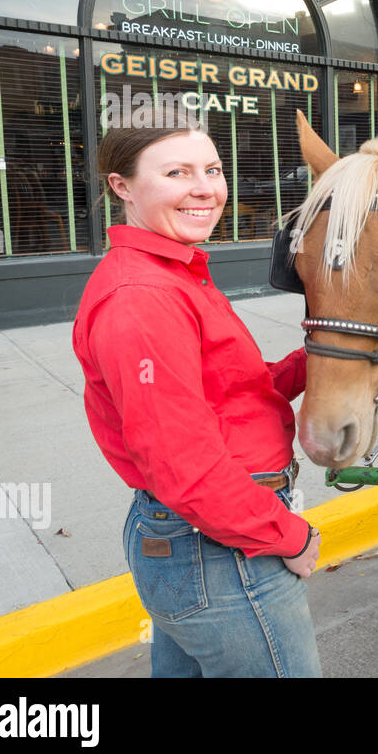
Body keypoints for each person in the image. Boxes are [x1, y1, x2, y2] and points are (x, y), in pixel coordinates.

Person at [72, 105, 322, 677]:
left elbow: (234, 394)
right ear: (122, 186)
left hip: (199, 539)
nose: (204, 189)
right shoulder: (143, 297)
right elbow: (181, 464)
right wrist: (285, 533)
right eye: (177, 173)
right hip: (219, 544)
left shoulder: (174, 272)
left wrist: (321, 360)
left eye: (211, 170)